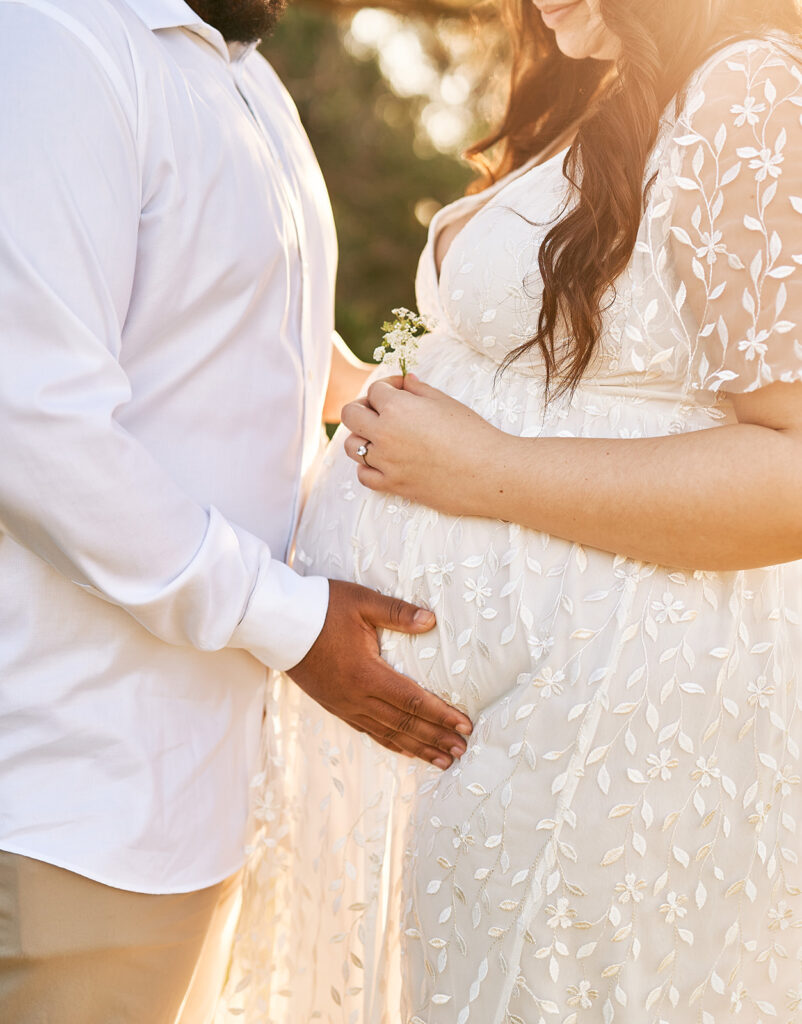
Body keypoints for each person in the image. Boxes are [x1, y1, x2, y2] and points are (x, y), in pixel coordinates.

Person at [218, 0, 802, 1020]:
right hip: (507, 726)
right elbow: (576, 388)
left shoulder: (749, 92)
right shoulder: (607, 92)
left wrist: (488, 469)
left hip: (613, 724)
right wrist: (345, 386)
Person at [0, 1, 473, 1021]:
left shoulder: (243, 76)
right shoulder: (53, 43)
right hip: (72, 794)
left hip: (202, 794)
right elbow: (33, 424)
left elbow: (263, 363)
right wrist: (294, 624)